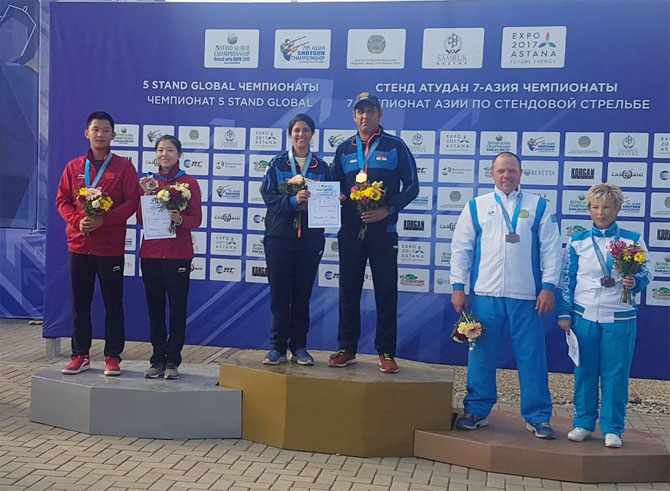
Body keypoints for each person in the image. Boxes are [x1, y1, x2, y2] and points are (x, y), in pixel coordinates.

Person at [450, 151, 562, 438]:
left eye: (512, 171)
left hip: (527, 296)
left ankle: (538, 417)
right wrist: (457, 286)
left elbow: (551, 249)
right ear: (492, 174)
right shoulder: (477, 206)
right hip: (486, 294)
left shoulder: (538, 206)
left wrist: (548, 286)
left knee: (531, 356)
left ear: (521, 173)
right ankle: (476, 410)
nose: (506, 176)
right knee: (482, 355)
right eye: (501, 171)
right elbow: (461, 248)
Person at [329, 92, 419, 373]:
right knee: (348, 291)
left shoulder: (395, 146)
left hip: (384, 232)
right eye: (360, 111)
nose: (365, 116)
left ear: (380, 115)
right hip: (350, 232)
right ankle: (347, 348)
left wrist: (388, 210)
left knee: (385, 292)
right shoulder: (344, 149)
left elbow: (412, 187)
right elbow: (333, 188)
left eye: (370, 111)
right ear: (354, 116)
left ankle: (387, 352)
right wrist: (338, 197)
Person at [557, 183, 652, 448]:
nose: (601, 212)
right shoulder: (577, 240)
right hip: (584, 314)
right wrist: (564, 312)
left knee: (615, 374)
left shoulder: (632, 239)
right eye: (595, 207)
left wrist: (636, 283)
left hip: (620, 316)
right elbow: (567, 279)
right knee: (585, 371)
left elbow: (647, 272)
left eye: (607, 207)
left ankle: (613, 428)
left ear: (618, 209)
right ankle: (584, 423)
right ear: (589, 209)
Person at [56, 111, 140, 376]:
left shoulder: (124, 167)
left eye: (105, 130)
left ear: (113, 135)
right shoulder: (74, 167)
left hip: (110, 247)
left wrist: (105, 220)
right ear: (87, 133)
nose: (100, 134)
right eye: (95, 129)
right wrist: (77, 220)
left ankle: (113, 356)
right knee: (80, 303)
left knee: (113, 302)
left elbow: (131, 202)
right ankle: (80, 354)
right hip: (79, 245)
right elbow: (62, 200)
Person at [260, 114, 330, 365]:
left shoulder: (321, 167)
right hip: (279, 236)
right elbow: (267, 196)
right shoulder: (277, 163)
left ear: (312, 134)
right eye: (297, 130)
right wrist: (292, 201)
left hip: (310, 238)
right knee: (279, 294)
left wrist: (329, 201)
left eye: (306, 131)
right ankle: (277, 347)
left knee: (302, 295)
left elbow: (329, 199)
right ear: (290, 134)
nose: (301, 135)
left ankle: (299, 346)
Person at [137, 135, 202, 380]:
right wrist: (145, 196)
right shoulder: (148, 183)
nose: (165, 154)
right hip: (151, 254)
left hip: (179, 255)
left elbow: (197, 219)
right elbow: (142, 219)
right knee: (155, 309)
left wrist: (181, 220)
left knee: (177, 308)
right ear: (156, 154)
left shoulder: (189, 183)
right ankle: (156, 360)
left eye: (170, 150)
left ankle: (173, 360)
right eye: (161, 150)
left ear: (179, 154)